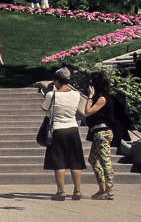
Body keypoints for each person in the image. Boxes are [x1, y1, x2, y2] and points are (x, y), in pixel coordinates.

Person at [42, 68, 85, 201]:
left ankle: (61, 191)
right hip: (73, 128)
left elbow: (44, 107)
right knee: (75, 161)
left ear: (56, 80)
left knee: (58, 161)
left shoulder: (52, 95)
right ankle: (77, 190)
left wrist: (49, 92)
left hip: (58, 129)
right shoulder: (76, 94)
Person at [84, 71, 116, 200]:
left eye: (91, 83)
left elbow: (87, 112)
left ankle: (109, 189)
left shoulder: (103, 98)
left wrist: (90, 97)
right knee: (93, 159)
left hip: (102, 133)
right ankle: (102, 188)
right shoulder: (103, 97)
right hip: (97, 132)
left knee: (105, 159)